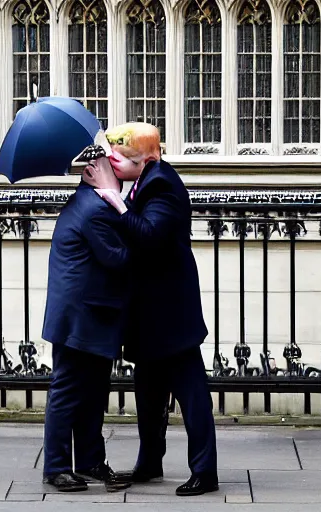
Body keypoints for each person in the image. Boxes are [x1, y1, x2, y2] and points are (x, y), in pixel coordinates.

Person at [95, 122, 218, 497]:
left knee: (191, 394)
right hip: (151, 313)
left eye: (119, 157)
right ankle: (151, 460)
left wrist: (114, 201)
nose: (112, 162)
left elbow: (148, 234)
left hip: (170, 313)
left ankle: (204, 471)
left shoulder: (162, 183)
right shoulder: (146, 180)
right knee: (148, 392)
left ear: (145, 159)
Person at [42, 145, 131, 493]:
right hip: (80, 317)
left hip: (89, 313)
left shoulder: (92, 202)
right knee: (68, 391)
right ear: (96, 172)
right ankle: (57, 467)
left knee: (93, 391)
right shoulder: (95, 208)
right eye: (114, 167)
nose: (121, 174)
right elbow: (119, 257)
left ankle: (91, 461)